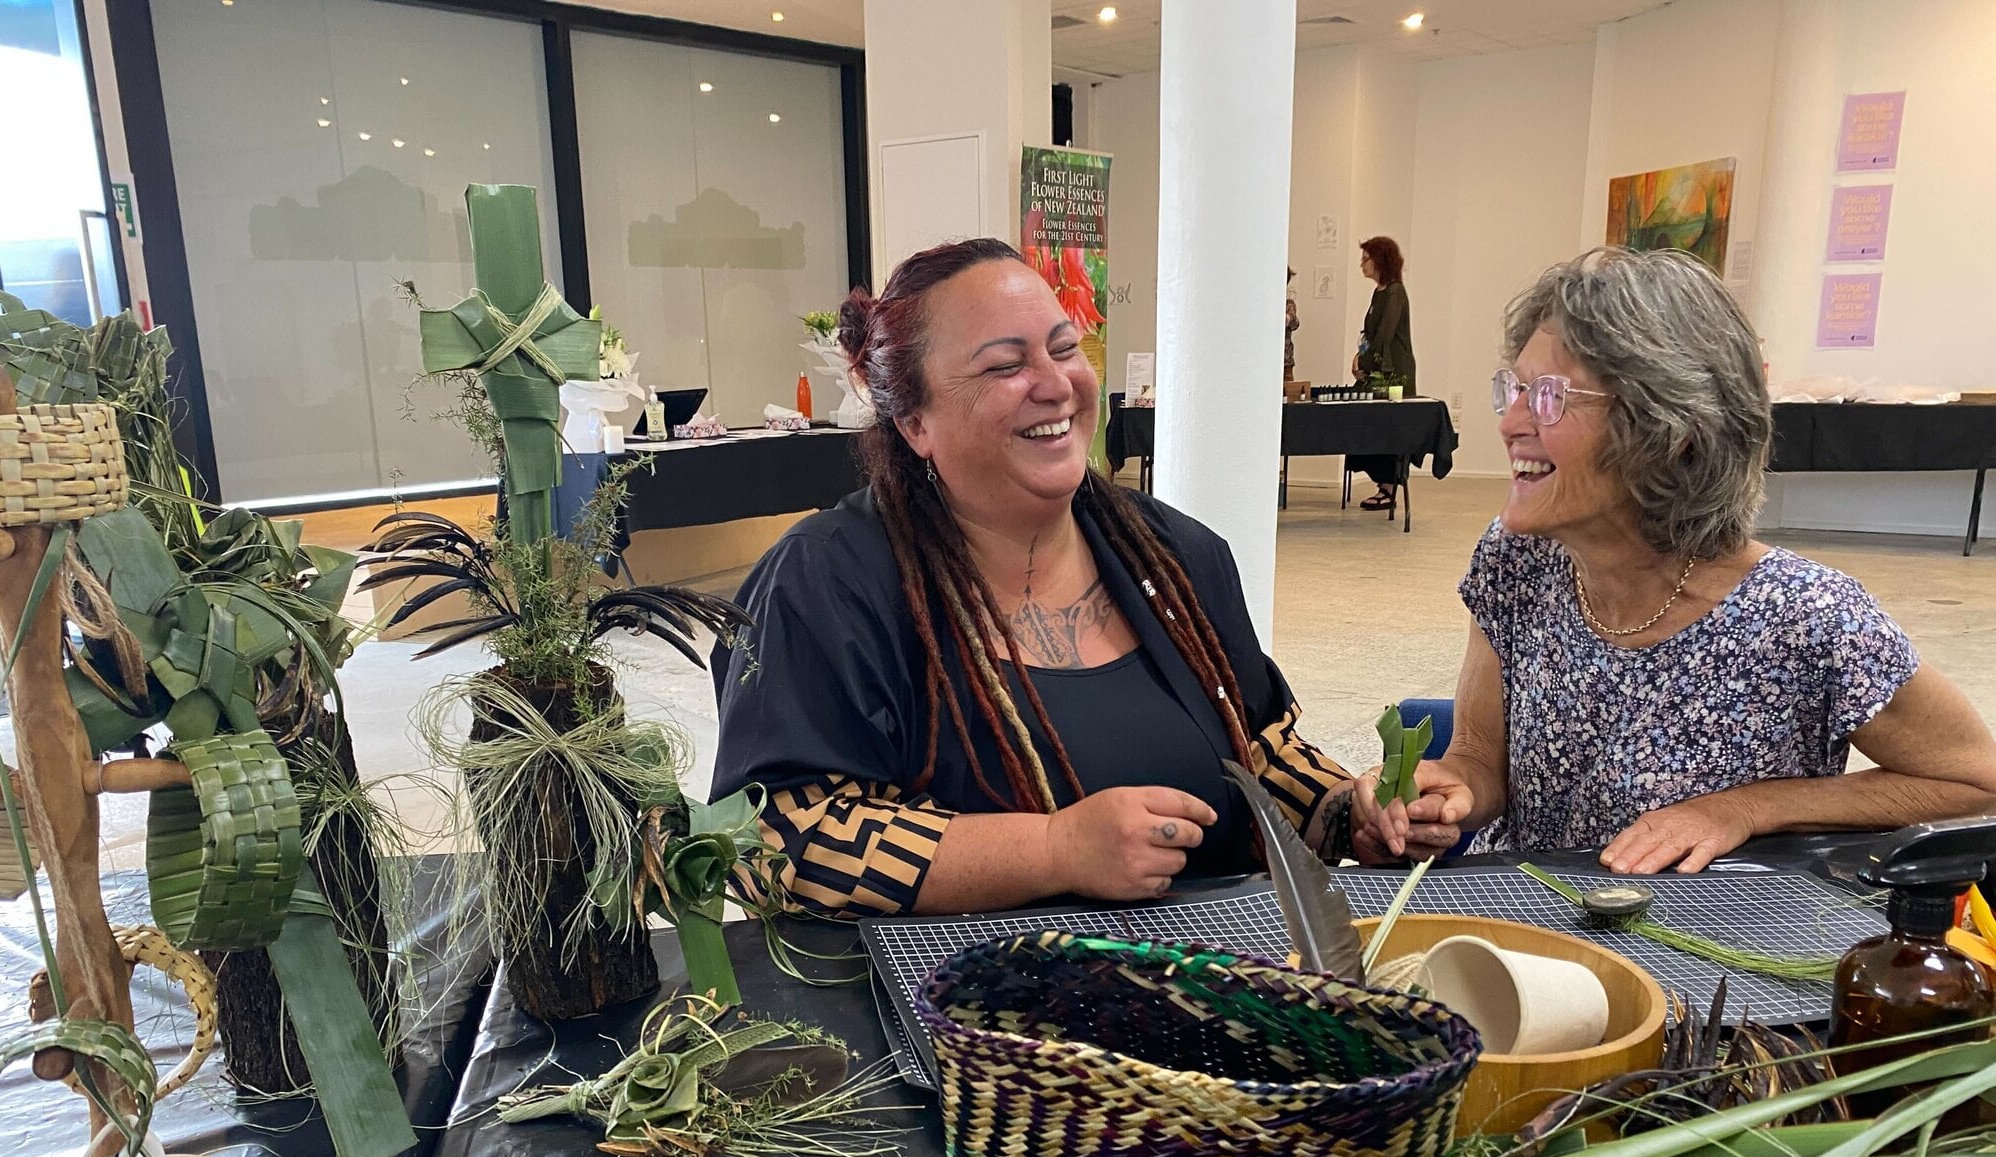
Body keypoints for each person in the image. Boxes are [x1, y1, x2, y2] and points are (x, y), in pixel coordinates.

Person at [711, 239, 1358, 916]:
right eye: (1005, 366)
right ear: (913, 420)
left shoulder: (1173, 556)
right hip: (957, 1006)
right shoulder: (825, 583)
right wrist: (1054, 850)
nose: (1056, 384)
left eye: (1065, 348)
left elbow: (1260, 747)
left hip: (1217, 990)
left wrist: (1350, 810)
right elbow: (777, 843)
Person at [1357, 247, 1996, 874]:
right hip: (1537, 936)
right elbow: (1478, 758)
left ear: (1669, 426)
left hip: (1713, 957)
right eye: (1515, 390)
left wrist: (1745, 810)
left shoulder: (1807, 616)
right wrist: (1453, 792)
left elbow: (1977, 783)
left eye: (1548, 395)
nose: (1510, 422)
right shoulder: (1519, 559)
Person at [1348, 235, 1416, 511]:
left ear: (1380, 260)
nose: (1362, 264)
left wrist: (1363, 362)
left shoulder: (1395, 293)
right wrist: (1360, 357)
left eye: (1366, 259)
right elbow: (1371, 334)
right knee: (1362, 421)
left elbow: (1385, 336)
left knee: (1386, 427)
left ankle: (1389, 488)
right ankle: (1384, 485)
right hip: (1375, 368)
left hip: (1392, 373)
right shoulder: (1380, 292)